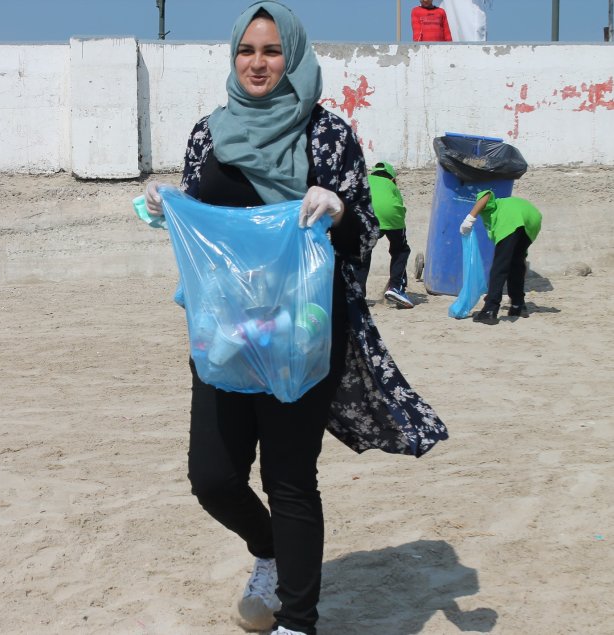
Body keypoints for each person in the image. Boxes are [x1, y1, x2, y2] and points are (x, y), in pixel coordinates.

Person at [143, 3, 447, 634]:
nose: (258, 63)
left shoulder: (328, 135)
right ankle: (269, 551)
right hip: (225, 335)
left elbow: (367, 226)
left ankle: (297, 622)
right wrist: (162, 207)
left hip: (302, 334)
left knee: (289, 478)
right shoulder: (208, 132)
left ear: (296, 56)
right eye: (247, 51)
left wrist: (336, 208)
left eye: (272, 50)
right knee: (214, 477)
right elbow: (204, 226)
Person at [460, 189, 542, 325]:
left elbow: (486, 195)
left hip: (512, 216)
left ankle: (490, 310)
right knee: (516, 264)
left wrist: (470, 219)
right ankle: (518, 305)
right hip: (533, 219)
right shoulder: (498, 217)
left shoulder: (494, 206)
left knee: (500, 266)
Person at [353, 161, 414, 308]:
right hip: (392, 215)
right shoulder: (392, 185)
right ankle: (395, 287)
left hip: (368, 214)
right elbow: (400, 207)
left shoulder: (366, 179)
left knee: (363, 253)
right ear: (392, 178)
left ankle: (358, 293)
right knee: (400, 250)